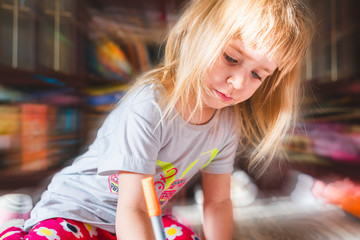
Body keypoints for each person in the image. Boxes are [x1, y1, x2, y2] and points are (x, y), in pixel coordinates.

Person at [0, 0, 314, 239]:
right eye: (231, 58)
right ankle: (14, 225)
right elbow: (131, 207)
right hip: (80, 209)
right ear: (196, 33)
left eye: (257, 74)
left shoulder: (227, 124)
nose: (239, 83)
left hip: (143, 215)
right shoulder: (149, 107)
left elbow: (217, 203)